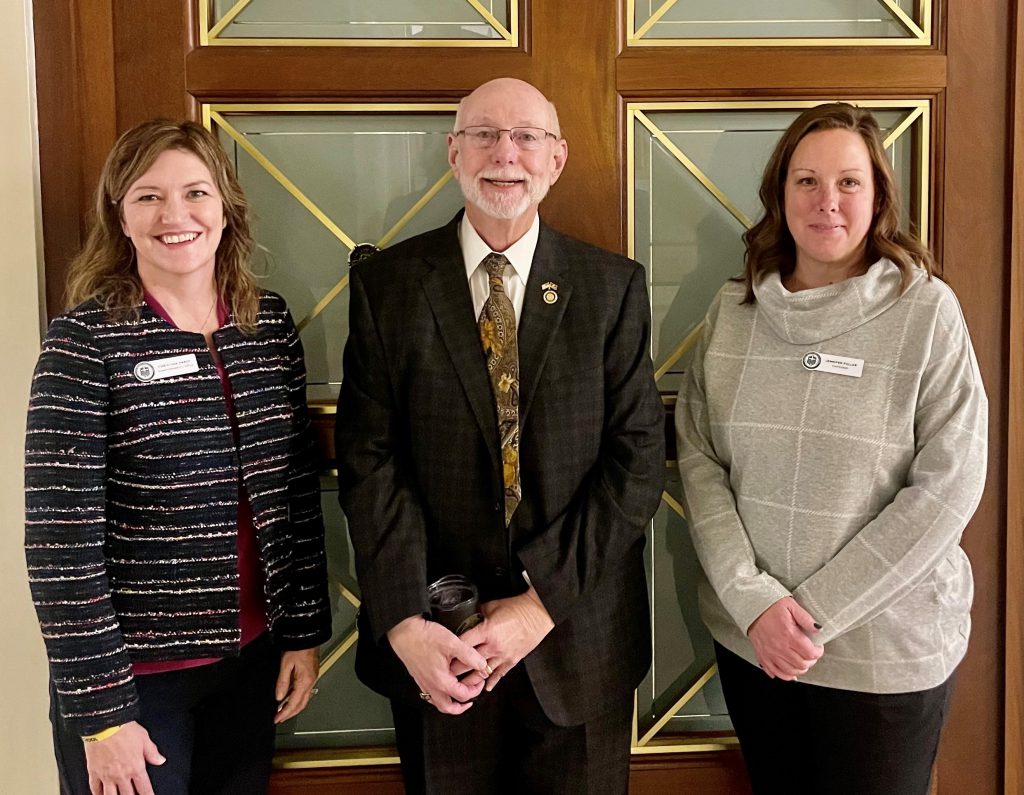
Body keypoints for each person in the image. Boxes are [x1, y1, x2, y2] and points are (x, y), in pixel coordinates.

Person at [335, 77, 665, 794]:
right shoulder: (388, 286)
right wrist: (404, 621)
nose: (504, 153)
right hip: (437, 643)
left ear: (557, 158)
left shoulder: (611, 287)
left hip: (577, 641)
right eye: (483, 134)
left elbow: (637, 463)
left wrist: (540, 603)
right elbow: (368, 462)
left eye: (526, 137)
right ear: (454, 152)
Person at [675, 102, 988, 794]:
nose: (827, 201)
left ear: (878, 197)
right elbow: (698, 459)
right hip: (755, 644)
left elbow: (950, 486)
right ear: (779, 195)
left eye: (849, 182)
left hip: (883, 657)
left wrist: (810, 617)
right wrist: (755, 604)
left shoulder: (927, 312)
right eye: (807, 181)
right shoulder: (733, 312)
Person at [25, 120, 332, 795]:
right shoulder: (84, 342)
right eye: (149, 197)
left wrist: (303, 634)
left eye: (195, 192)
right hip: (134, 683)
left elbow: (294, 494)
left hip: (250, 662)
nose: (176, 215)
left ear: (226, 208)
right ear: (121, 217)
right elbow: (60, 543)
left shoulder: (267, 327)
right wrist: (102, 716)